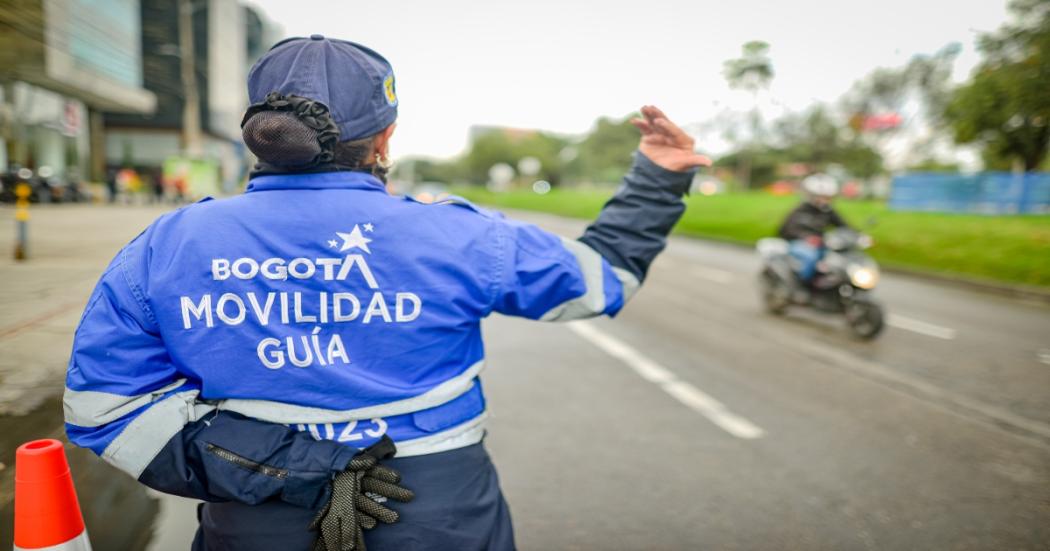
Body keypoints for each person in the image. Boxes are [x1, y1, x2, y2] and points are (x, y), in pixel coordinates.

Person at [63, 35, 710, 551]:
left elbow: (101, 407)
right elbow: (601, 278)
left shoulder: (169, 243)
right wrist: (656, 175)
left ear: (259, 134)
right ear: (384, 138)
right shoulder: (456, 235)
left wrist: (291, 463)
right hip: (441, 515)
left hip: (256, 517)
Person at [777, 173, 851, 283]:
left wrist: (857, 235)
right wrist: (806, 237)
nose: (825, 200)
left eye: (828, 197)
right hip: (798, 243)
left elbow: (844, 225)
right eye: (822, 197)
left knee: (837, 260)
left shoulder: (828, 211)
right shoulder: (800, 210)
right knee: (810, 257)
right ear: (811, 195)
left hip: (822, 244)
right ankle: (801, 286)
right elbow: (787, 229)